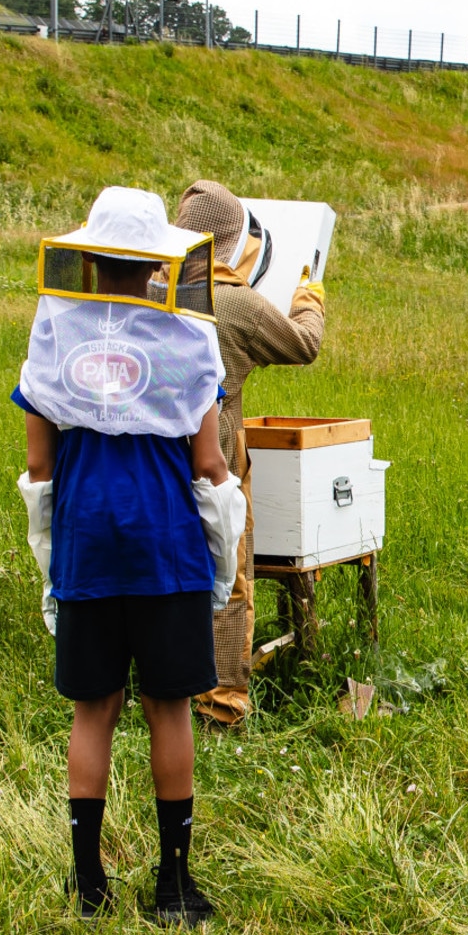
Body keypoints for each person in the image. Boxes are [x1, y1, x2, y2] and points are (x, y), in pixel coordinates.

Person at [16, 186, 242, 924]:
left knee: (94, 708)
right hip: (163, 538)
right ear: (154, 262)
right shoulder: (185, 332)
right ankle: (173, 885)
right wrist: (224, 546)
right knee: (169, 706)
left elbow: (40, 462)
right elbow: (208, 460)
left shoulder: (57, 325)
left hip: (86, 533)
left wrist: (52, 554)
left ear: (89, 255)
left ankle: (87, 886)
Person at [172, 181, 324, 727]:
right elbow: (303, 343)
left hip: (149, 457)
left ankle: (164, 681)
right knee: (228, 572)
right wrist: (309, 294)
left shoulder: (151, 286)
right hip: (216, 454)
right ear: (234, 242)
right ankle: (222, 705)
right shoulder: (235, 303)